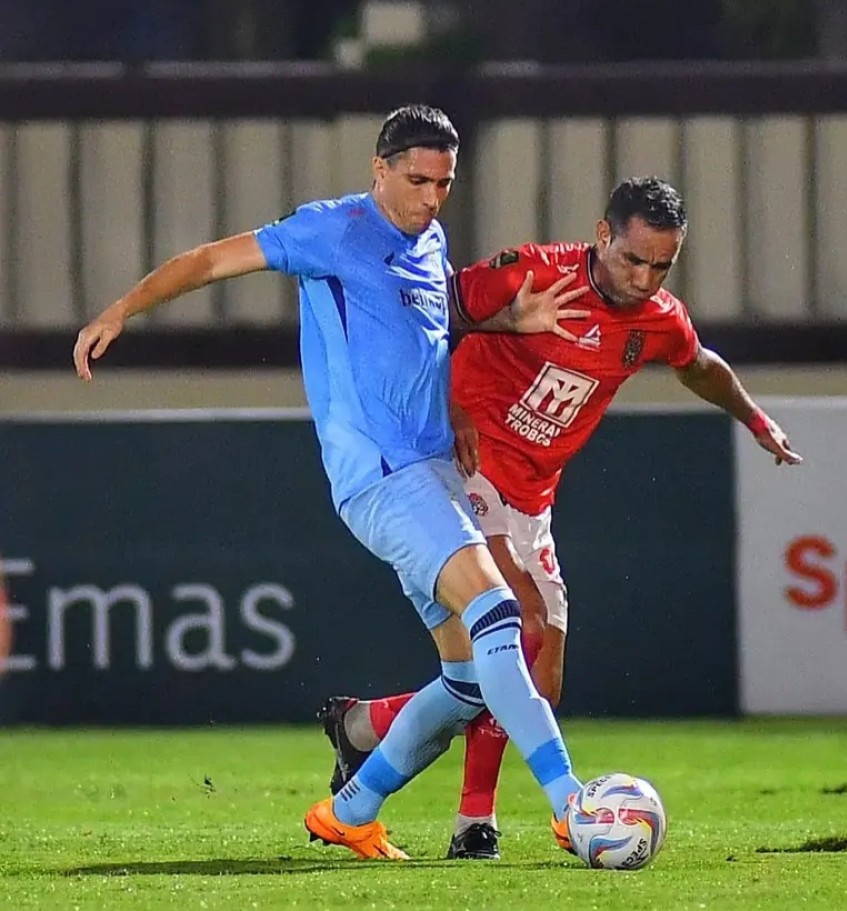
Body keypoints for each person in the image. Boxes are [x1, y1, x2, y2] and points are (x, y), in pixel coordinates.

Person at [72, 103, 592, 861]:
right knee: (500, 617)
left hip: (435, 473)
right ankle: (571, 801)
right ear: (377, 169)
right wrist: (122, 308)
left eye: (443, 183)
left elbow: (426, 323)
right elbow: (212, 259)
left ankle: (351, 807)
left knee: (469, 680)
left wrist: (502, 333)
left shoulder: (430, 237)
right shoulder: (333, 230)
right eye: (415, 179)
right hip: (385, 479)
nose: (430, 197)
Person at [317, 176, 802, 860]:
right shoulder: (533, 273)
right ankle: (478, 819)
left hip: (533, 500)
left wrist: (753, 417)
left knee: (535, 677)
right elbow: (433, 311)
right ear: (603, 235)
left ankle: (364, 729)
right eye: (634, 258)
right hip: (467, 469)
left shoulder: (656, 318)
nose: (644, 277)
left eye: (662, 265)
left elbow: (699, 366)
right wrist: (447, 401)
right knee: (519, 625)